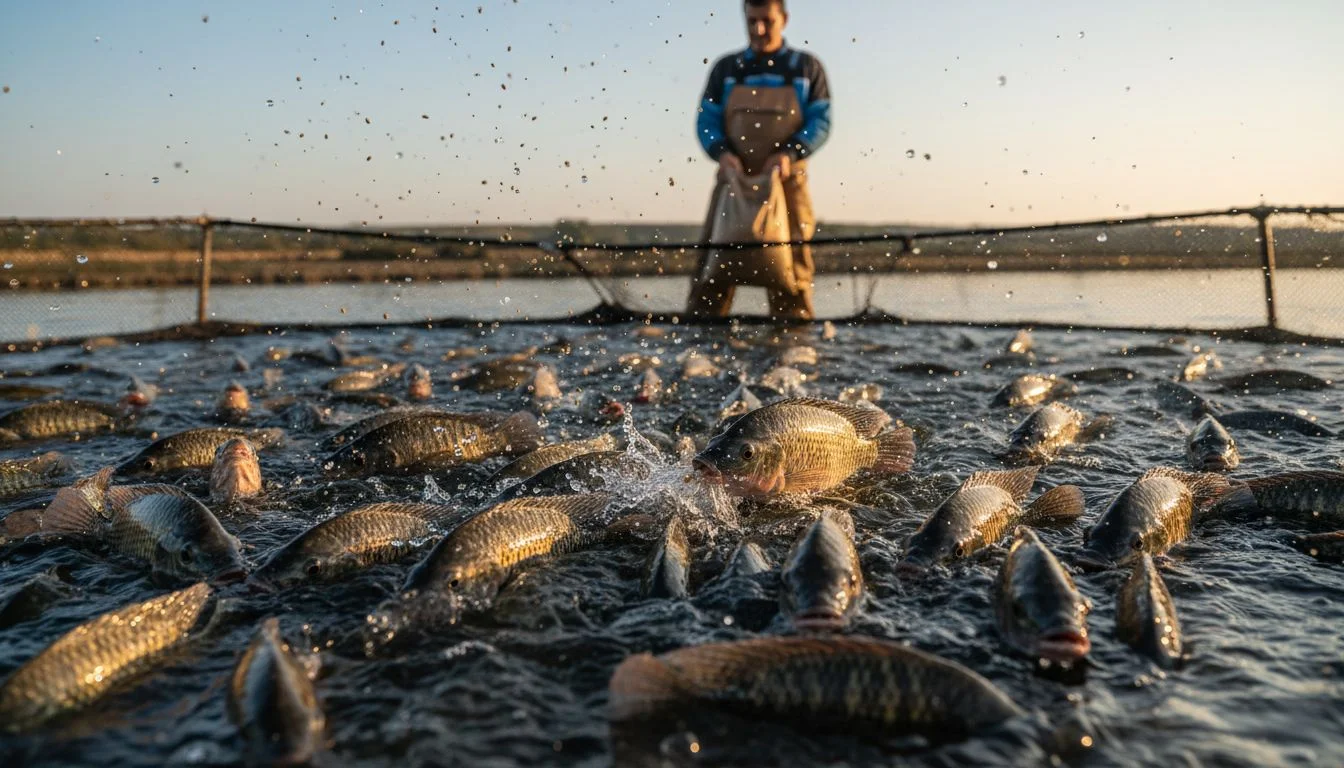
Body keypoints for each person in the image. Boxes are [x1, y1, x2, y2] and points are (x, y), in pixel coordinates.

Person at [686, 0, 832, 321]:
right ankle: (702, 345)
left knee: (793, 273)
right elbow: (705, 122)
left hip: (787, 182)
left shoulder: (806, 68)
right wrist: (722, 153)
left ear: (785, 19)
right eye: (751, 21)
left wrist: (790, 153)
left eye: (767, 21)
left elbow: (821, 121)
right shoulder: (726, 69)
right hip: (733, 180)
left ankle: (793, 348)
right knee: (710, 274)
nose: (759, 30)